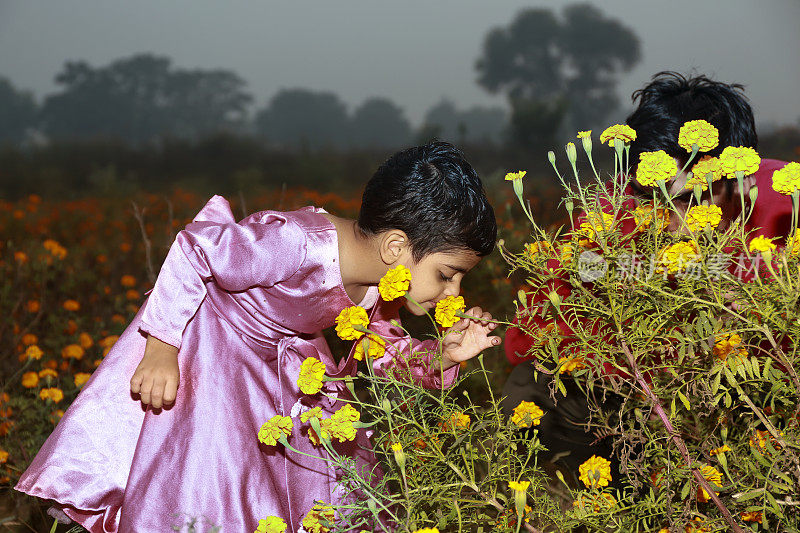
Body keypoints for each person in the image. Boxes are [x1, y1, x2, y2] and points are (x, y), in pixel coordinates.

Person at [16, 141, 501, 533]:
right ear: (397, 246)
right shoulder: (296, 243)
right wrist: (162, 348)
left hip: (278, 364)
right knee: (213, 487)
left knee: (326, 480)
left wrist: (441, 354)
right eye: (448, 274)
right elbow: (195, 250)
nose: (452, 291)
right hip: (216, 354)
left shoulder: (378, 283)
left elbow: (379, 348)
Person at [502, 71, 794, 482]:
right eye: (653, 196)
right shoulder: (609, 214)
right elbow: (527, 340)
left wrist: (751, 303)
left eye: (694, 198)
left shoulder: (786, 204)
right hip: (630, 399)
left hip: (753, 401)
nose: (672, 223)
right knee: (533, 388)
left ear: (742, 180)